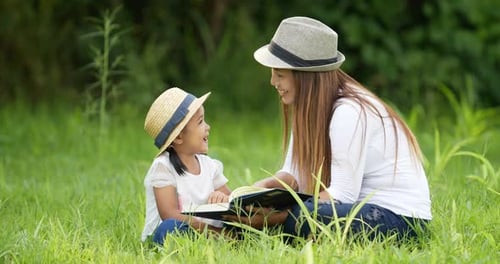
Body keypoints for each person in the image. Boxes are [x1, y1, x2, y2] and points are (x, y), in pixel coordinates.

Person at [225, 16, 432, 240]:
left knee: (302, 217)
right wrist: (262, 190)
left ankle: (272, 227)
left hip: (398, 218)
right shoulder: (309, 108)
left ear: (306, 78)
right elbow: (293, 174)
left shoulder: (348, 112)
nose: (273, 82)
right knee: (290, 216)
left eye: (281, 75)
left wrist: (278, 217)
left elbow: (343, 195)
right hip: (355, 209)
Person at [141, 87, 232, 245]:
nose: (207, 126)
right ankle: (216, 240)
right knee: (169, 228)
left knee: (240, 222)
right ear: (179, 137)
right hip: (184, 229)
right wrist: (209, 230)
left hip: (206, 232)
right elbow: (169, 214)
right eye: (200, 122)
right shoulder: (163, 167)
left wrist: (223, 199)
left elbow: (232, 203)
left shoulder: (210, 166)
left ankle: (217, 241)